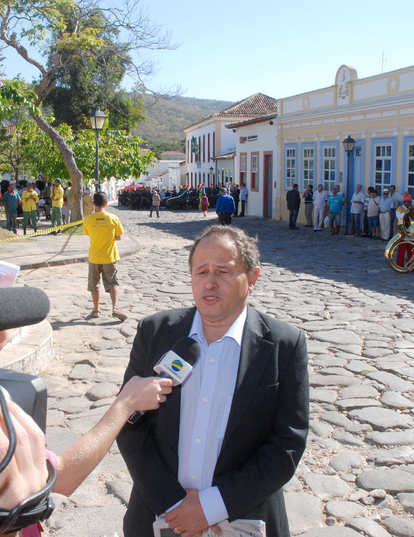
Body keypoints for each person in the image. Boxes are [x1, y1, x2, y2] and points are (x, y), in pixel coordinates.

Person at [117, 225, 309, 537]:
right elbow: (128, 424)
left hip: (245, 517)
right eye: (201, 271)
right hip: (157, 514)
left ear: (253, 278)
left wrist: (211, 507)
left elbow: (287, 444)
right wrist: (176, 508)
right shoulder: (155, 333)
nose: (210, 282)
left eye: (223, 271)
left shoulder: (284, 345)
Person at [83, 191, 127, 321]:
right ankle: (115, 308)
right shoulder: (113, 218)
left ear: (93, 203)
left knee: (94, 283)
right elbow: (118, 237)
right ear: (106, 203)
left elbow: (89, 234)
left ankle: (96, 310)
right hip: (109, 256)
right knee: (113, 282)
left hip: (94, 256)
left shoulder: (87, 219)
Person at [395, 194, 414, 268]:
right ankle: (400, 265)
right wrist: (408, 211)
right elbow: (400, 217)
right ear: (404, 202)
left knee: (412, 250)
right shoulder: (400, 209)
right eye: (407, 202)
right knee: (401, 251)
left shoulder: (413, 209)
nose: (409, 203)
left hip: (411, 232)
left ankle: (411, 266)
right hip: (403, 233)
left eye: (410, 202)